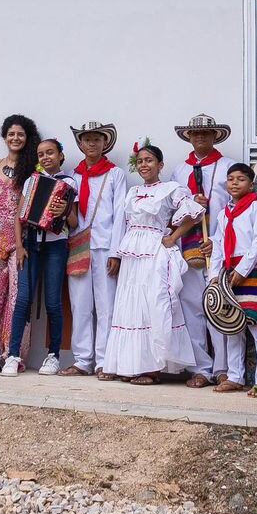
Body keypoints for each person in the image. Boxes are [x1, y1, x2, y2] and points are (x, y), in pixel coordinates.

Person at [103, 143, 207, 384]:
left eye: (149, 160)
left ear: (160, 165)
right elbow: (123, 224)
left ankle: (153, 368)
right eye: (140, 161)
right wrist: (116, 254)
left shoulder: (170, 189)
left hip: (154, 249)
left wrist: (172, 237)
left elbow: (194, 212)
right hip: (132, 252)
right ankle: (128, 364)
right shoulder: (132, 192)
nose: (144, 165)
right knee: (131, 305)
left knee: (154, 303)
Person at [60, 121, 130, 378]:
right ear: (80, 144)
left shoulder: (115, 174)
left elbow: (120, 214)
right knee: (80, 305)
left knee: (106, 305)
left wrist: (116, 252)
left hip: (104, 246)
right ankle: (82, 359)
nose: (92, 143)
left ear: (105, 143)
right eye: (87, 139)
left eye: (97, 139)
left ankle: (104, 360)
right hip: (78, 244)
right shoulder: (73, 176)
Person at [171, 113, 235, 389]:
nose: (200, 138)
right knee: (192, 307)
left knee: (217, 305)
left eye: (206, 134)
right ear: (189, 137)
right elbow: (174, 211)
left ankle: (223, 368)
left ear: (215, 136)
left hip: (218, 245)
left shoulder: (228, 167)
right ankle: (201, 367)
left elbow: (235, 208)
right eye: (195, 134)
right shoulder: (179, 171)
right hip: (189, 246)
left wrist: (219, 241)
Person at [2, 139, 75, 376]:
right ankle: (13, 355)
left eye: (50, 153)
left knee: (53, 302)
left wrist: (63, 210)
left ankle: (53, 355)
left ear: (60, 156)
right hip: (31, 245)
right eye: (41, 154)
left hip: (55, 246)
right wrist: (20, 246)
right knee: (23, 300)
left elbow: (73, 223)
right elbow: (19, 217)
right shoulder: (31, 182)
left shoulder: (69, 182)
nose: (46, 158)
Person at [203, 163, 257, 392]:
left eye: (241, 179)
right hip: (228, 274)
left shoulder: (256, 207)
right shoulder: (224, 214)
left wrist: (243, 270)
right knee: (232, 327)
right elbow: (218, 244)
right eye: (231, 179)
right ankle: (235, 376)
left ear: (251, 184)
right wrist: (214, 276)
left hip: (250, 272)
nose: (235, 183)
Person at [0, 114, 40, 352]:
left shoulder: (32, 168)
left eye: (20, 134)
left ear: (27, 138)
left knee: (18, 297)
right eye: (11, 134)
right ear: (4, 137)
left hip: (22, 239)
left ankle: (12, 351)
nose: (15, 138)